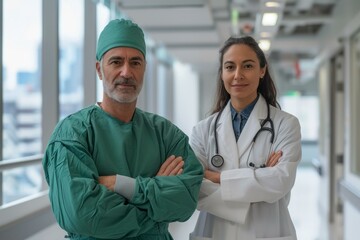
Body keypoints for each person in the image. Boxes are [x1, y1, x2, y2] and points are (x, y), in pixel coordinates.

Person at [42, 18, 204, 240]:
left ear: (144, 68)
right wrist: (155, 210)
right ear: (99, 69)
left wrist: (120, 185)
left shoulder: (166, 135)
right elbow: (82, 215)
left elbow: (185, 202)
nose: (126, 72)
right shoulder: (72, 135)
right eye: (116, 62)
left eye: (135, 62)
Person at [189, 36, 302, 240]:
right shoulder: (202, 130)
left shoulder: (286, 124)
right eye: (230, 67)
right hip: (214, 232)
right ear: (222, 73)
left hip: (268, 231)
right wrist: (260, 179)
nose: (238, 75)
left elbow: (280, 181)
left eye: (247, 66)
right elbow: (194, 188)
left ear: (262, 70)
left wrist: (217, 177)